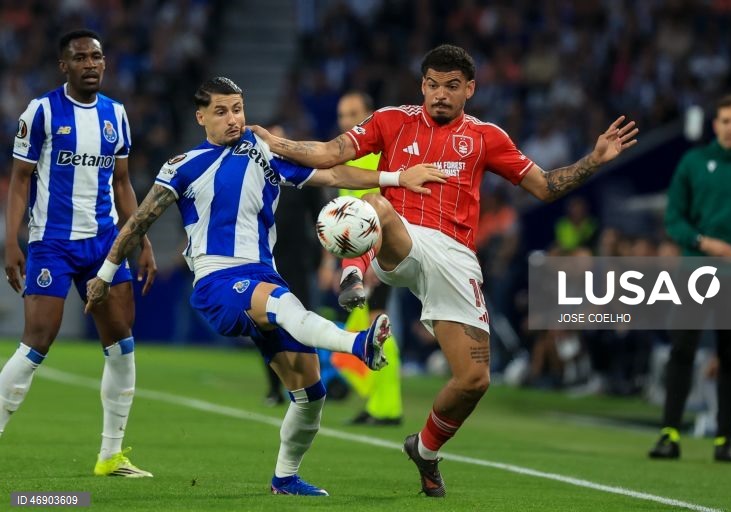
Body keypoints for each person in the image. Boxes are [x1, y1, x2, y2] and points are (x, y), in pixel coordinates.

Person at [253, 44, 638, 497]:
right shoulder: (390, 120)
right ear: (422, 85)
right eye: (433, 84)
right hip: (401, 242)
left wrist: (594, 159)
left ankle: (427, 450)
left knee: (474, 380)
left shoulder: (486, 137)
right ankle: (353, 275)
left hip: (455, 258)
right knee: (375, 203)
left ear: (469, 89)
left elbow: (546, 186)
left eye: (452, 86)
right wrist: (274, 143)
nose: (440, 94)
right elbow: (328, 153)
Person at [84, 77, 445, 496]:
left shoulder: (264, 153)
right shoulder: (182, 166)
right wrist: (105, 275)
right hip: (218, 280)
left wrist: (396, 178)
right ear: (200, 117)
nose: (233, 119)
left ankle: (285, 479)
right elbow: (139, 221)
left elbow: (331, 173)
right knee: (286, 307)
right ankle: (358, 345)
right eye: (221, 111)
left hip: (264, 273)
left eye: (238, 108)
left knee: (311, 393)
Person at [0, 29, 157, 477]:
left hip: (105, 245)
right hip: (51, 243)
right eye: (81, 58)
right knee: (38, 340)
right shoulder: (42, 111)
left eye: (97, 57)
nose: (91, 64)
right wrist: (12, 241)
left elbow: (123, 183)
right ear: (63, 66)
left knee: (121, 343)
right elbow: (21, 180)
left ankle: (111, 455)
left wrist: (140, 240)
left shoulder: (117, 116)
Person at [649, 94, 731, 463]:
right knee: (682, 351)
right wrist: (706, 243)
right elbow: (675, 219)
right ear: (715, 125)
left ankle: (725, 440)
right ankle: (669, 434)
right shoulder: (694, 162)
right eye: (725, 121)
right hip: (696, 270)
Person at [328, 90, 404, 426]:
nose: (346, 121)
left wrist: (373, 262)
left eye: (352, 114)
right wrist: (334, 262)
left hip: (377, 257)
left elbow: (385, 211)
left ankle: (388, 407)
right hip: (358, 260)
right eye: (342, 115)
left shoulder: (377, 157)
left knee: (378, 326)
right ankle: (379, 402)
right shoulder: (347, 158)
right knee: (361, 339)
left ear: (369, 115)